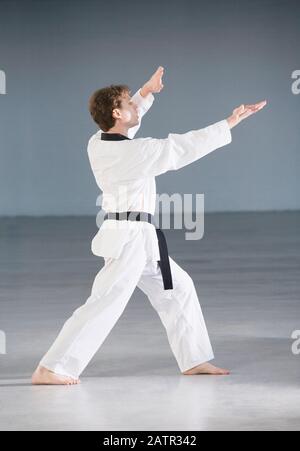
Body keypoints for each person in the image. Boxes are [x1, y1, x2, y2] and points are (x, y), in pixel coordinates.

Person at [32, 66, 267, 385]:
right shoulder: (133, 153)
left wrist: (144, 93)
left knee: (179, 289)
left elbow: (128, 121)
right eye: (128, 103)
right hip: (129, 239)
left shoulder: (98, 142)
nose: (134, 107)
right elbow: (179, 148)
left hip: (140, 238)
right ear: (117, 112)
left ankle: (194, 359)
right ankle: (52, 367)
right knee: (106, 301)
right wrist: (230, 122)